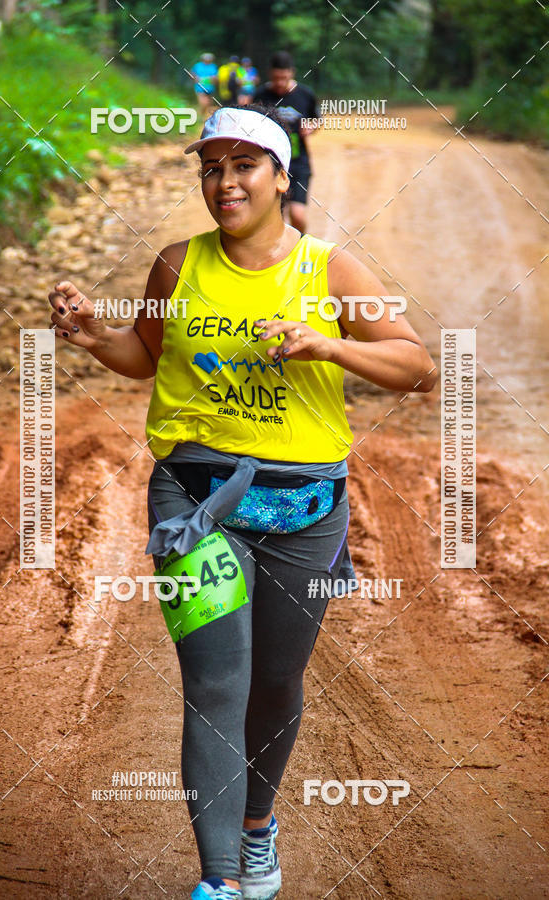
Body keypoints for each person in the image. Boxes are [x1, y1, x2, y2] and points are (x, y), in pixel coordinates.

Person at [47, 104, 437, 899]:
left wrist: (326, 342)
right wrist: (93, 335)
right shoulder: (175, 265)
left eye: (243, 167)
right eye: (211, 169)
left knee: (276, 684)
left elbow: (416, 364)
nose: (224, 183)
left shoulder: (329, 271)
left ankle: (258, 826)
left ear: (280, 174)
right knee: (217, 682)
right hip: (192, 499)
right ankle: (219, 880)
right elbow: (145, 356)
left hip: (304, 511)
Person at [255, 50, 320, 234]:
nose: (280, 83)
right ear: (270, 74)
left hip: (298, 162)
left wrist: (311, 126)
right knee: (276, 216)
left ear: (291, 73)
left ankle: (301, 247)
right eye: (276, 78)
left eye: (284, 77)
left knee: (298, 215)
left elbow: (316, 119)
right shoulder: (261, 95)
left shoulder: (305, 94)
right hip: (271, 163)